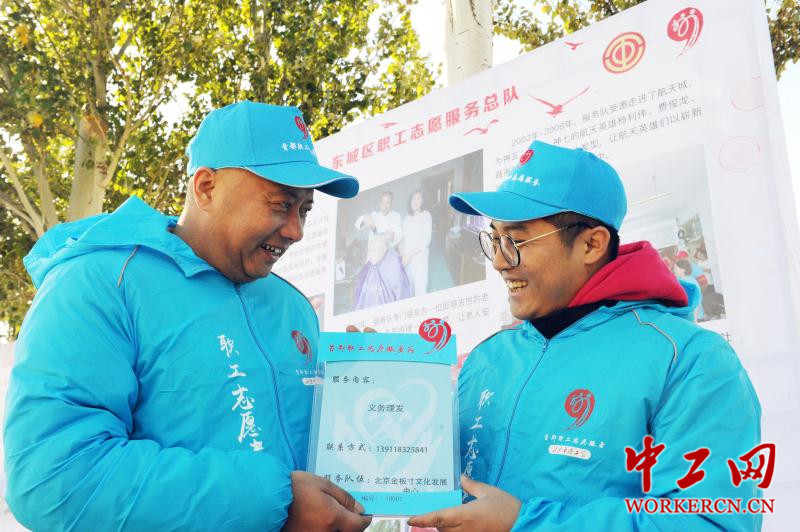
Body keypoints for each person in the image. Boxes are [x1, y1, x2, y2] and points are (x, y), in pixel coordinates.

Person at [3, 101, 372, 531]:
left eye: (304, 210)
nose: (296, 231)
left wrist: (358, 394)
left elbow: (307, 460)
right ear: (206, 188)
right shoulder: (99, 282)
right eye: (280, 204)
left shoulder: (292, 305)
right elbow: (53, 478)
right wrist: (277, 502)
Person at [408, 140, 761, 531]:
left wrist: (525, 524)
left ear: (592, 244)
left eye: (517, 241)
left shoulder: (690, 360)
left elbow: (709, 523)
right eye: (494, 239)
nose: (500, 262)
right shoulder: (487, 358)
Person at [352, 190, 410, 309]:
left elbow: (399, 235)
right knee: (372, 287)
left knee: (394, 282)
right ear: (379, 203)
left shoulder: (396, 216)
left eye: (388, 203)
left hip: (389, 256)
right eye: (383, 203)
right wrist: (365, 218)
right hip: (374, 256)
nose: (385, 206)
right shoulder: (374, 216)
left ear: (391, 203)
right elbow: (358, 224)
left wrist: (392, 236)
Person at [401, 189, 433, 296]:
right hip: (407, 258)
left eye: (418, 198)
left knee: (420, 289)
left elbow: (426, 240)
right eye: (413, 199)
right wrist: (403, 254)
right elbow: (403, 239)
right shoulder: (406, 219)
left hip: (420, 257)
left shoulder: (426, 215)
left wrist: (409, 255)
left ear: (422, 201)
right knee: (408, 287)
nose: (415, 202)